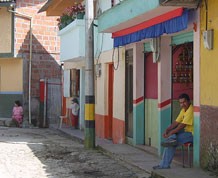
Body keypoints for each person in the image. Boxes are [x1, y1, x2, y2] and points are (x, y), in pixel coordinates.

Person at [153, 93, 193, 169]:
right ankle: (171, 139)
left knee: (170, 143)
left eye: (184, 102)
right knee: (170, 132)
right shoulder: (184, 110)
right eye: (180, 103)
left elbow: (182, 125)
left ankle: (164, 165)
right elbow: (176, 122)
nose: (182, 104)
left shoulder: (191, 110)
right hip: (185, 132)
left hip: (191, 134)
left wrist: (171, 132)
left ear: (189, 101)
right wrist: (167, 130)